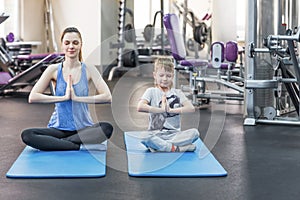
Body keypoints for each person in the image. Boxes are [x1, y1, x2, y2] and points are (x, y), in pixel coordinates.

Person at [21, 27, 113, 151]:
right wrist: (64, 98)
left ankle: (59, 144)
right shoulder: (53, 69)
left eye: (75, 43)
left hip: (83, 129)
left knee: (106, 128)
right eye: (67, 43)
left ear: (80, 45)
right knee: (27, 135)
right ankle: (73, 145)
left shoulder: (89, 69)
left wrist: (77, 98)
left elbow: (108, 97)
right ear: (62, 45)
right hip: (58, 129)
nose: (71, 46)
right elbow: (33, 97)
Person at [137, 57, 199, 152]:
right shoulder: (151, 91)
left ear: (173, 76)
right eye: (161, 75)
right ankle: (176, 148)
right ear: (155, 75)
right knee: (144, 137)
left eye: (168, 76)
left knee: (195, 133)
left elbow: (190, 108)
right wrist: (160, 110)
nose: (165, 79)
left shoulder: (177, 93)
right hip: (155, 135)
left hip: (174, 135)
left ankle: (160, 147)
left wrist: (171, 110)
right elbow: (140, 107)